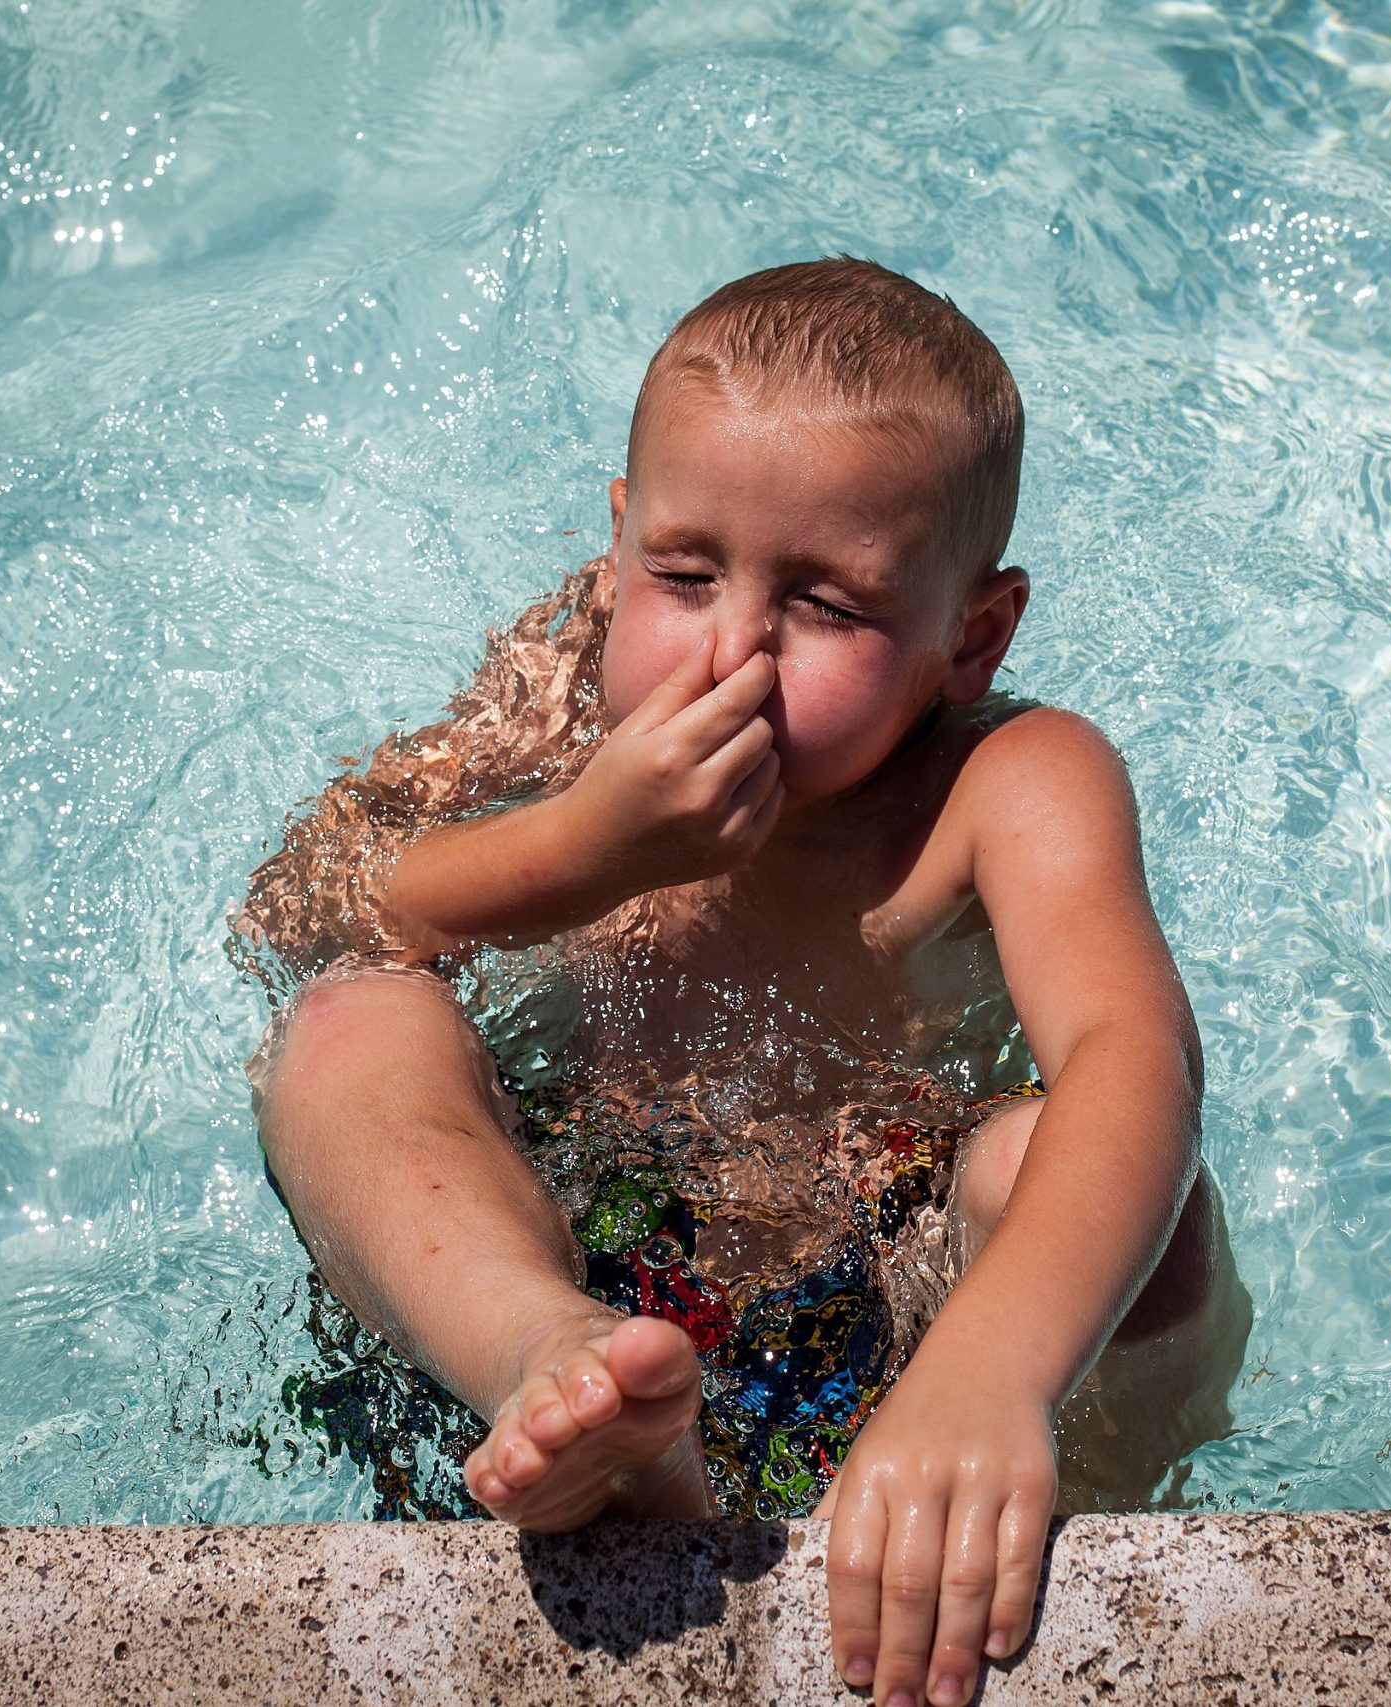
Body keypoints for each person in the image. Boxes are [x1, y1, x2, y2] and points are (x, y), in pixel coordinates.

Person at [236, 257, 1246, 1707]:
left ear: (975, 635)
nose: (731, 651)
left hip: (906, 1303)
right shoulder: (568, 684)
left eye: (828, 606)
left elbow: (1137, 1054)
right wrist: (577, 848)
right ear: (614, 545)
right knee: (343, 1026)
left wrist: (994, 1371)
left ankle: (989, 1519)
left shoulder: (1010, 781)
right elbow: (305, 906)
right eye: (685, 573)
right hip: (568, 1255)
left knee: (1075, 1166)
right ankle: (562, 1370)